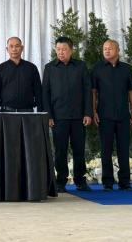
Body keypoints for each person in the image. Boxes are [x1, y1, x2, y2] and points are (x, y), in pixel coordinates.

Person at [42, 36, 93, 193]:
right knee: (60, 151)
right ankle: (61, 181)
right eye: (58, 49)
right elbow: (45, 93)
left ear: (71, 50)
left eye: (64, 49)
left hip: (79, 116)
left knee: (79, 150)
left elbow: (87, 91)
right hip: (58, 117)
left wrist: (88, 113)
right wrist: (49, 115)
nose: (61, 52)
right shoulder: (50, 68)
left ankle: (80, 181)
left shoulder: (81, 66)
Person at [91, 40, 132, 191]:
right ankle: (108, 182)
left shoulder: (126, 69)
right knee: (106, 150)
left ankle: (125, 182)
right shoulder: (97, 69)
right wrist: (93, 111)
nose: (107, 50)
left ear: (118, 50)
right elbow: (93, 92)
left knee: (124, 149)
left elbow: (131, 91)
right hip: (104, 115)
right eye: (104, 48)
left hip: (123, 115)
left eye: (110, 48)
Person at [0, 37, 43, 112]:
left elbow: (38, 92)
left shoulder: (31, 68)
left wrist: (41, 113)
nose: (14, 49)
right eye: (11, 46)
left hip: (27, 112)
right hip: (6, 112)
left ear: (22, 48)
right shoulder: (0, 68)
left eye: (17, 46)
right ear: (7, 49)